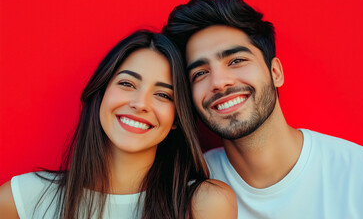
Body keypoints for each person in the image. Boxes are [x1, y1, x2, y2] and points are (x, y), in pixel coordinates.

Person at [163, 0, 363, 218]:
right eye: (200, 73)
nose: (219, 82)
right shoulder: (186, 192)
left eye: (236, 61)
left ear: (275, 73)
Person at [0, 30, 237, 219]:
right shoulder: (24, 197)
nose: (140, 104)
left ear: (177, 118)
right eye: (127, 84)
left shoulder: (204, 203)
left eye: (163, 95)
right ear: (101, 93)